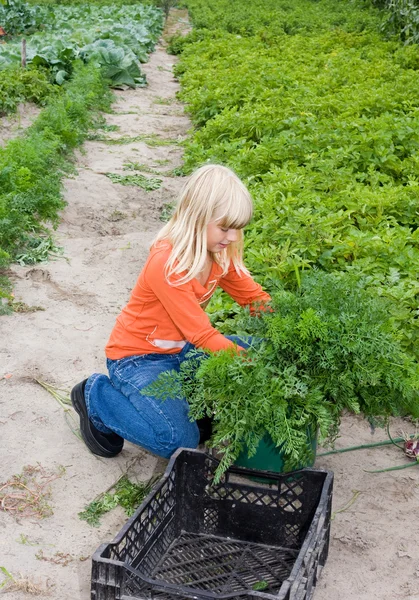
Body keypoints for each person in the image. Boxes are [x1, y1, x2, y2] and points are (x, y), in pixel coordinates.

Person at [71, 164, 271, 459]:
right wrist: (247, 362)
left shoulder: (219, 253)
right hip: (137, 359)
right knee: (178, 442)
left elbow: (254, 299)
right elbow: (201, 333)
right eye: (224, 227)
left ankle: (186, 404)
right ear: (197, 217)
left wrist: (286, 326)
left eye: (237, 228)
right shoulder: (167, 262)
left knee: (267, 349)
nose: (231, 236)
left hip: (181, 351)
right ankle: (97, 398)